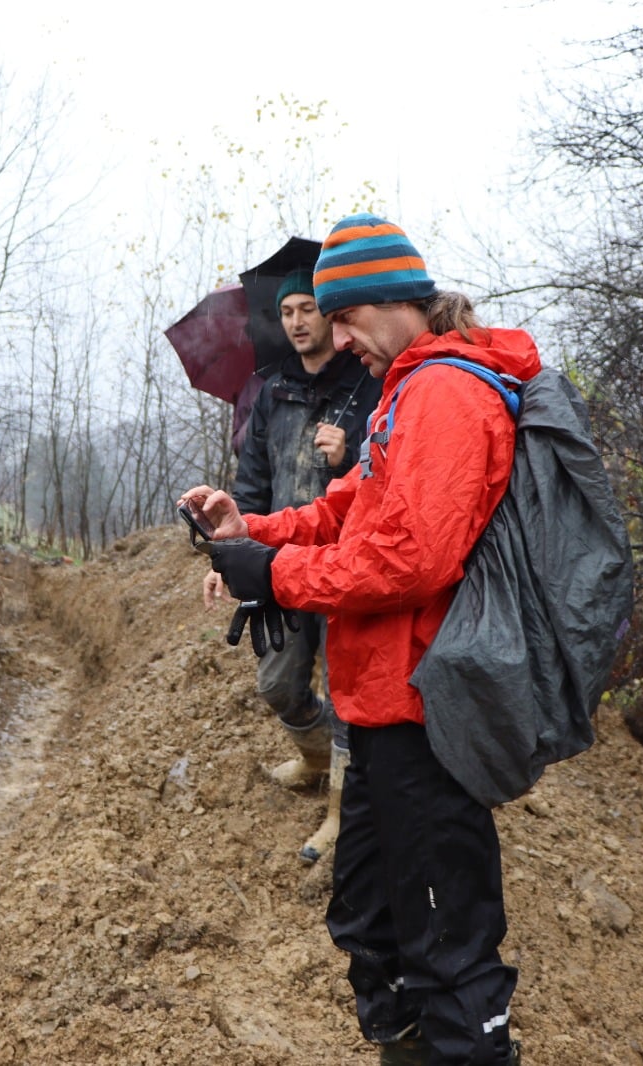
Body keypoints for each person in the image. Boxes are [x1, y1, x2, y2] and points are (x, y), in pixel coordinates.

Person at [180, 213, 534, 1065]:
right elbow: (351, 512)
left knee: (446, 947)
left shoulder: (449, 393)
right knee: (372, 924)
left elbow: (409, 558)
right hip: (378, 707)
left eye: (342, 319)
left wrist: (277, 577)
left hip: (427, 712)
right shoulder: (407, 390)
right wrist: (252, 532)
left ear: (387, 300)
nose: (335, 339)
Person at [216, 266, 377, 861]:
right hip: (280, 565)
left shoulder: (366, 385)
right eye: (287, 313)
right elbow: (252, 483)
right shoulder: (271, 392)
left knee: (345, 696)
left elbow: (380, 479)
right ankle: (314, 761)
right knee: (278, 682)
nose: (297, 321)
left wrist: (347, 450)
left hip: (342, 565)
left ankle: (340, 813)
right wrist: (232, 555)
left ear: (331, 317)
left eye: (308, 308)